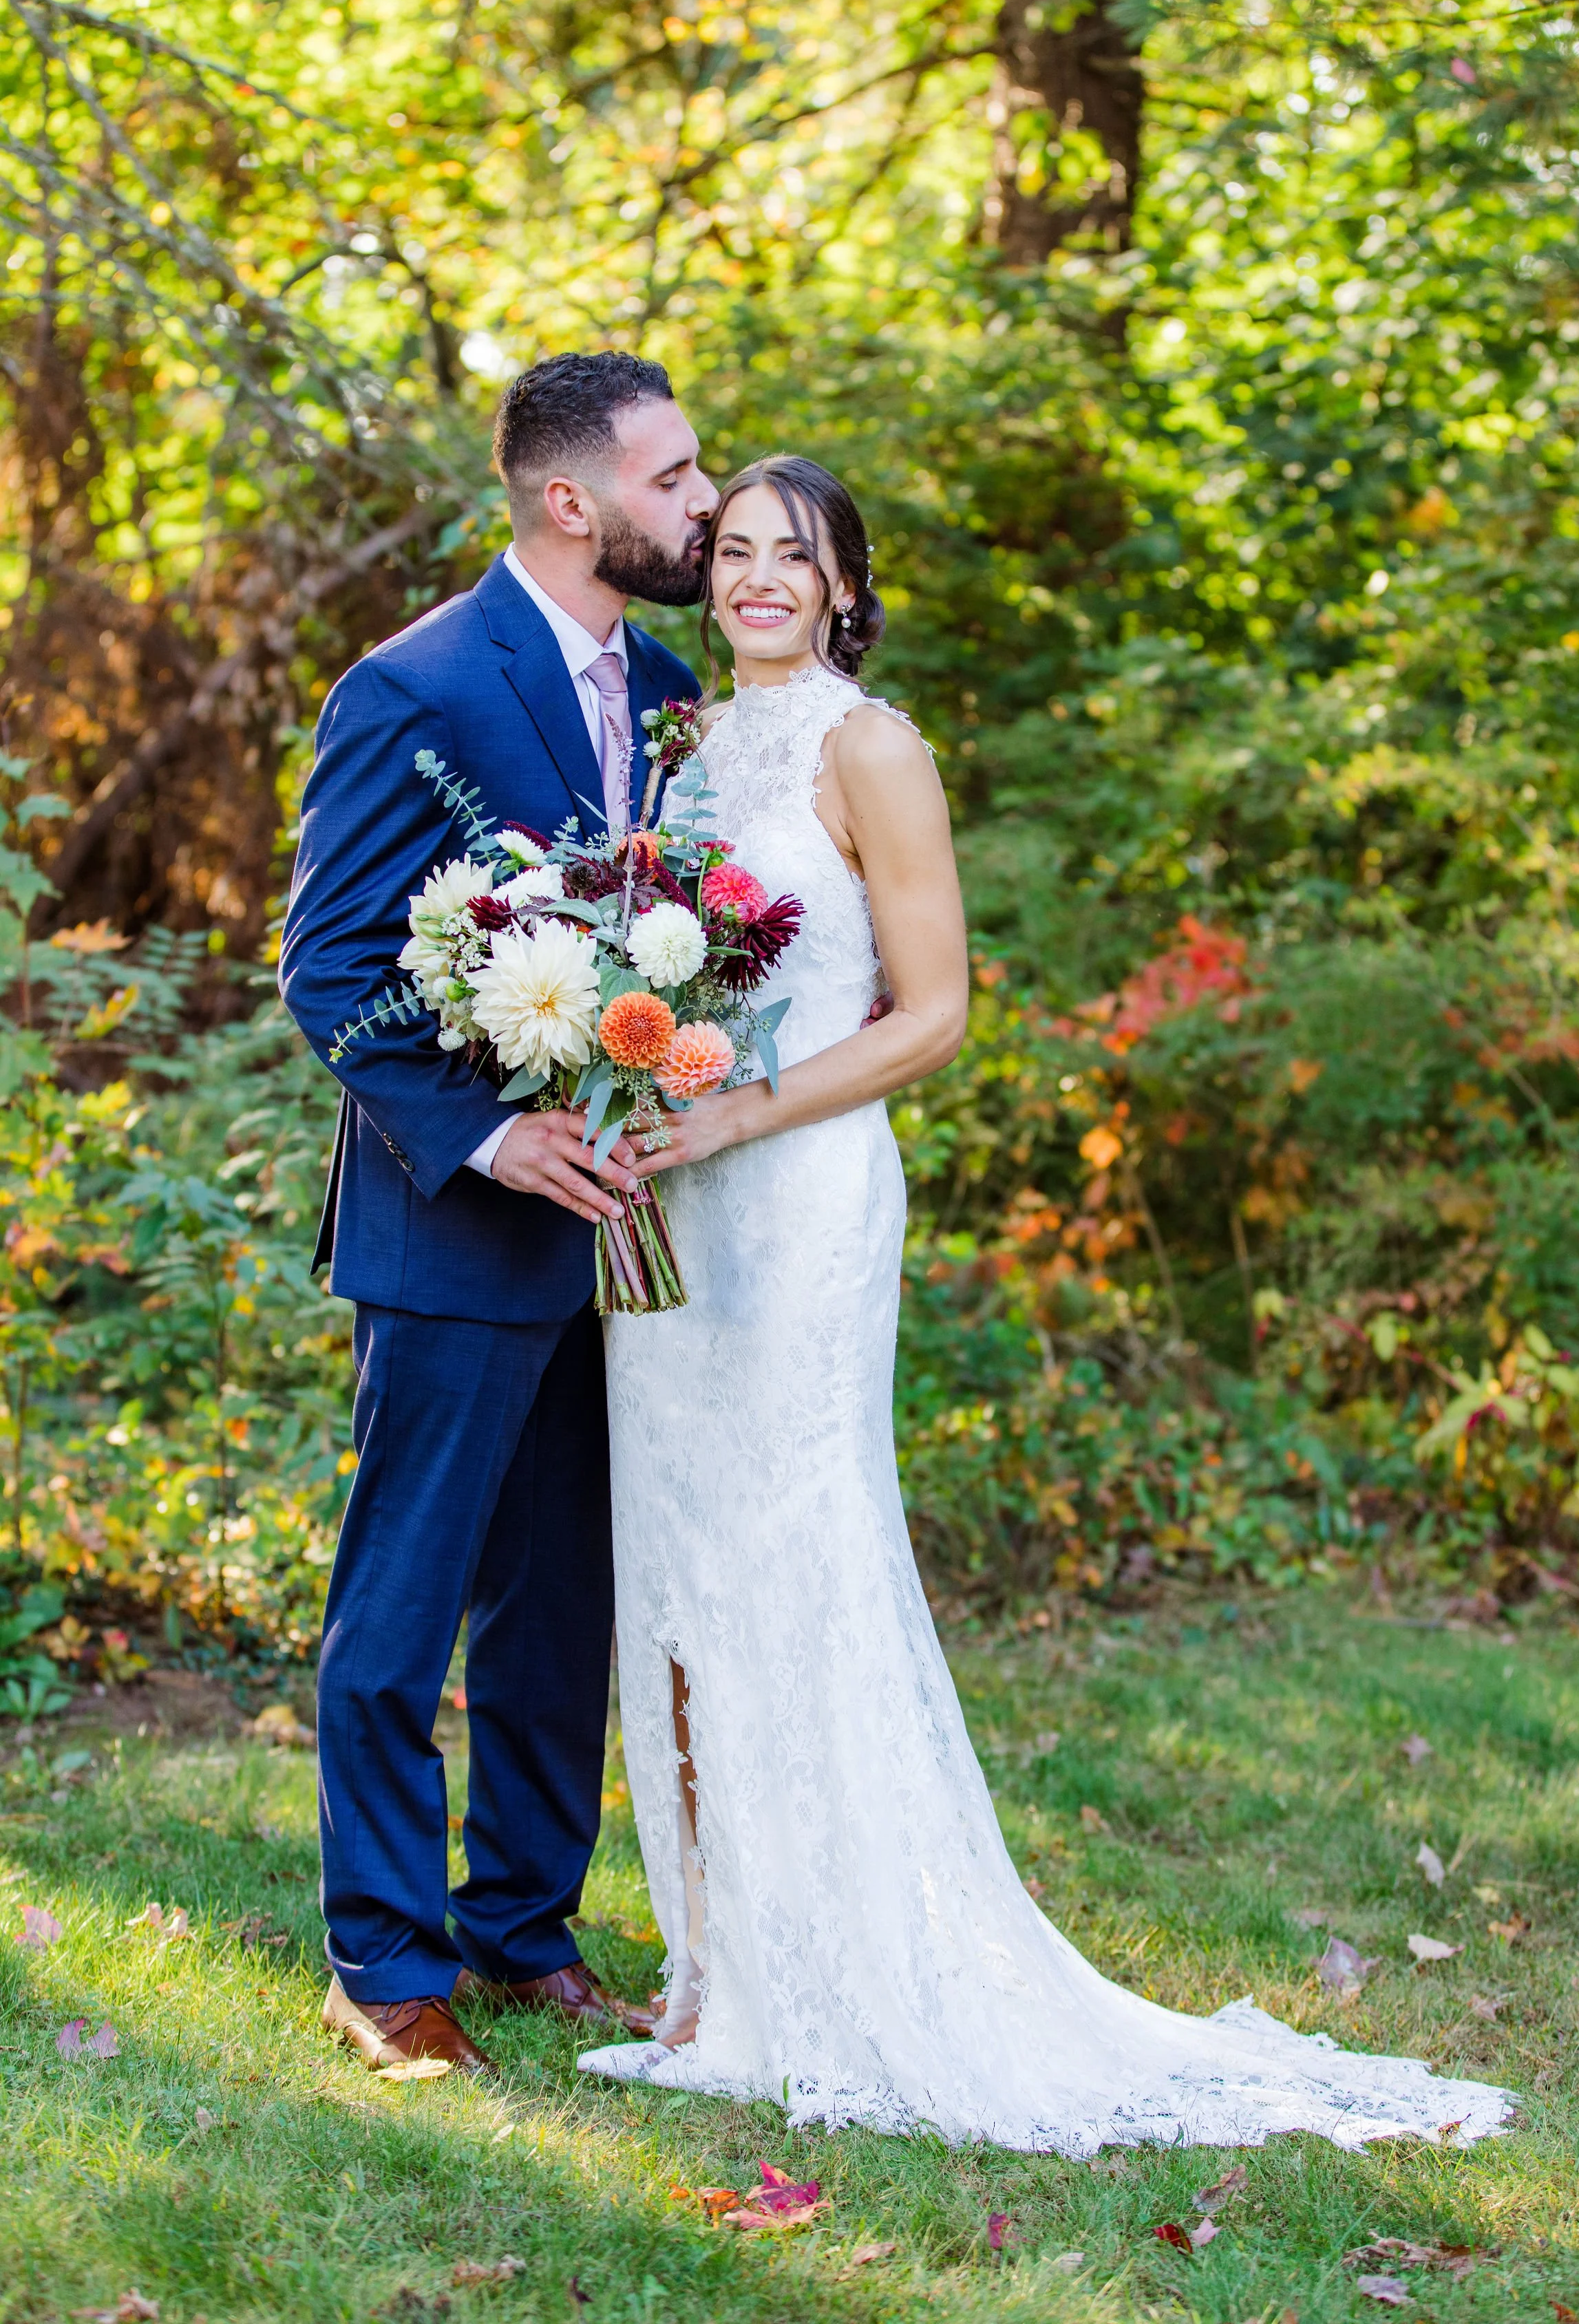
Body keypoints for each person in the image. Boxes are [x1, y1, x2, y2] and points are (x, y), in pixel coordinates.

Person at [577, 454, 1513, 2152]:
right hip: (676, 1203)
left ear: (849, 583)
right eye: (733, 552)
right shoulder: (692, 750)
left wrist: (743, 1110)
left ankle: (851, 1966)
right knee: (685, 1559)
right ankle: (719, 1971)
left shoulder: (875, 748)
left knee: (804, 1544)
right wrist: (634, 1079)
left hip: (798, 1196)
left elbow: (932, 1016)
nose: (759, 578)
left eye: (798, 555)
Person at [279, 351, 716, 2076]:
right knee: (406, 1607)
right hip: (456, 1231)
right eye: (674, 479)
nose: (701, 505)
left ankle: (524, 1931)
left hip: (614, 1231)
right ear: (569, 501)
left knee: (560, 1611)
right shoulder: (412, 687)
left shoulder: (670, 683)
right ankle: (383, 1964)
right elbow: (326, 968)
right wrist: (486, 1140)